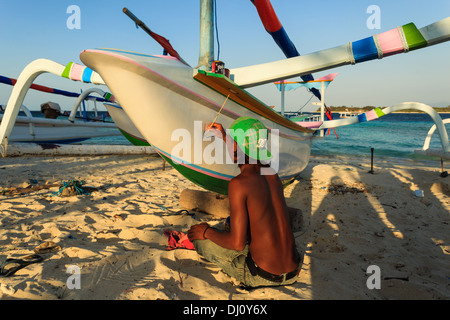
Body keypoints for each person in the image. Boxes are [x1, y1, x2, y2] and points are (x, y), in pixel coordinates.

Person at [188, 117, 302, 288]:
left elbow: (237, 243)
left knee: (200, 239)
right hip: (293, 270)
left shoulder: (239, 183)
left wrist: (206, 232)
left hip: (263, 275)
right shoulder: (271, 174)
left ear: (237, 148)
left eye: (232, 144)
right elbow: (245, 150)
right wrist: (226, 136)